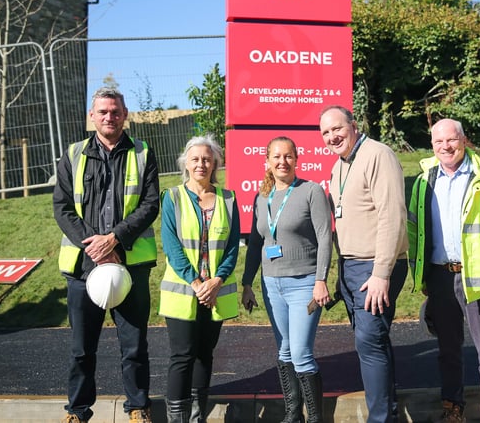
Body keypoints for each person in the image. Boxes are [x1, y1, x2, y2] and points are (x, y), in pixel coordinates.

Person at [407, 118, 480, 423]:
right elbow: (413, 229)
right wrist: (419, 273)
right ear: (432, 145)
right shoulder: (424, 181)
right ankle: (453, 408)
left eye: (452, 140)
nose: (445, 147)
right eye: (438, 142)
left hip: (477, 276)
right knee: (447, 349)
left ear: (464, 140)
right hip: (439, 276)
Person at [53, 87, 159, 423]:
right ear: (92, 116)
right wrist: (93, 244)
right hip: (83, 266)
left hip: (130, 265)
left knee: (134, 346)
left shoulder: (143, 153)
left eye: (115, 111)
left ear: (125, 114)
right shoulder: (73, 154)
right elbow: (62, 207)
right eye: (102, 112)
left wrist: (114, 239)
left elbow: (150, 204)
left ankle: (138, 408)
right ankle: (78, 411)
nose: (109, 117)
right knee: (82, 349)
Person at [318, 105, 409, 423]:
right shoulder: (339, 165)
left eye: (337, 128)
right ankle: (389, 413)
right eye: (326, 132)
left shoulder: (378, 155)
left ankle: (380, 418)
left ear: (353, 126)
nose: (332, 136)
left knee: (369, 341)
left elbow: (392, 215)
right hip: (351, 267)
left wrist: (382, 273)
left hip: (375, 267)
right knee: (374, 343)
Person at [241, 136, 333, 423]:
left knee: (302, 353)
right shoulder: (261, 198)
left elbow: (325, 237)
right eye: (276, 157)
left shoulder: (311, 191)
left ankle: (315, 418)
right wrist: (247, 284)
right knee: (284, 350)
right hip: (272, 285)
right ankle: (293, 415)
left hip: (305, 284)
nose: (282, 162)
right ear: (266, 161)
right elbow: (256, 244)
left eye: (288, 156)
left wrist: (321, 279)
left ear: (296, 159)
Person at [159, 135, 240, 423]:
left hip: (214, 293)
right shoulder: (172, 197)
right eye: (195, 159)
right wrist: (197, 284)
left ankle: (197, 417)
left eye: (207, 158)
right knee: (182, 356)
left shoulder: (228, 199)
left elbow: (231, 247)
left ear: (215, 162)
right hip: (184, 292)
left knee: (205, 355)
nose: (201, 164)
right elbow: (171, 246)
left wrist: (216, 281)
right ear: (186, 164)